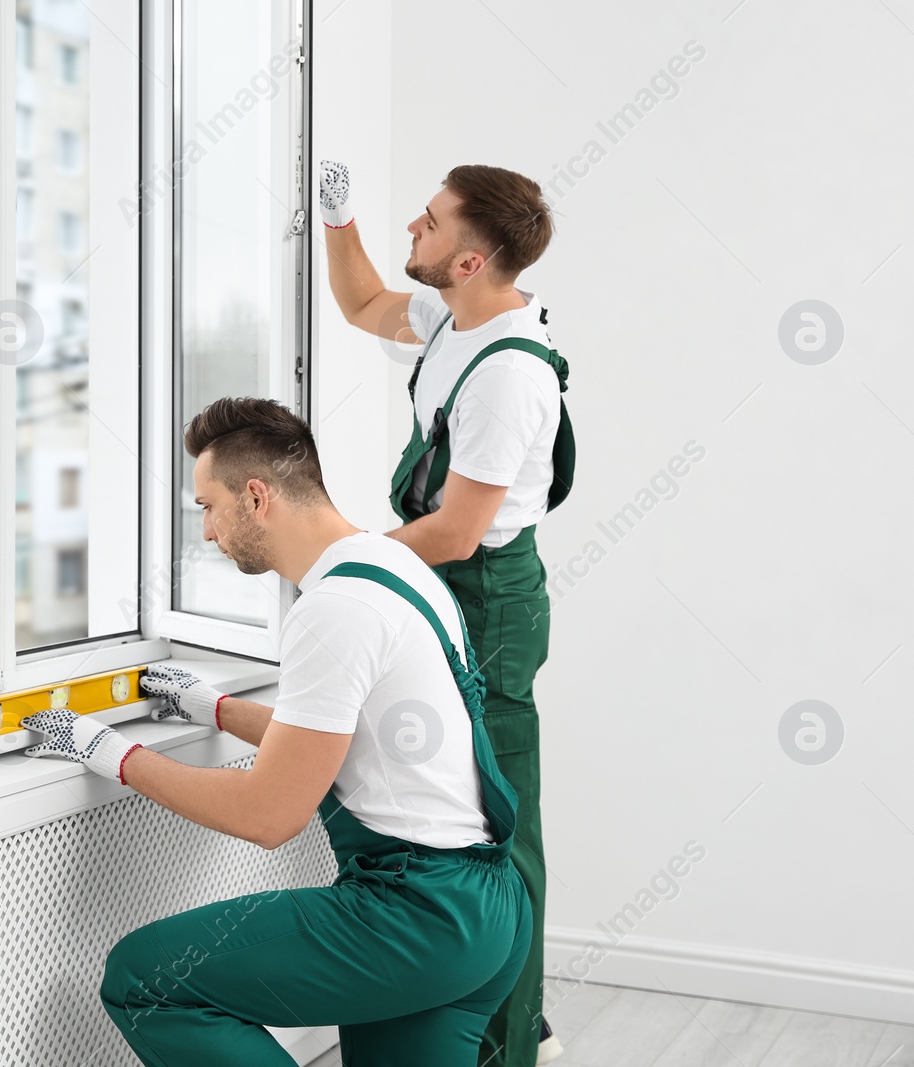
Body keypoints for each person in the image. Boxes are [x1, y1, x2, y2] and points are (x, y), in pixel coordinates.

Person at [22, 397, 530, 1066]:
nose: (206, 531)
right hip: (489, 910)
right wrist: (215, 708)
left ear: (256, 496)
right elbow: (335, 735)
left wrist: (110, 752)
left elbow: (270, 813)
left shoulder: (335, 608)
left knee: (146, 980)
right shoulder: (393, 566)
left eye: (206, 505)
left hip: (415, 914)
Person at [318, 161, 570, 1067]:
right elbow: (364, 305)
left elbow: (459, 532)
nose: (410, 231)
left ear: (469, 261)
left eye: (427, 223)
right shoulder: (452, 322)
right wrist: (337, 218)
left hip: (490, 597)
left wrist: (349, 559)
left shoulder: (510, 374)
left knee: (500, 824)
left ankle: (504, 1047)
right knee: (446, 808)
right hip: (454, 579)